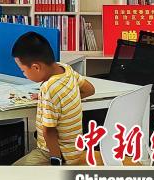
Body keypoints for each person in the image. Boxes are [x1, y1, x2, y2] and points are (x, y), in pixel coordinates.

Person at [11, 31, 95, 166]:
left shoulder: (49, 89)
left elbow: (49, 132)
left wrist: (56, 161)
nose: (24, 75)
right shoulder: (66, 69)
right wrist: (63, 102)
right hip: (75, 149)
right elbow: (90, 89)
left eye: (23, 71)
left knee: (12, 170)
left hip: (58, 153)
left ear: (36, 67)